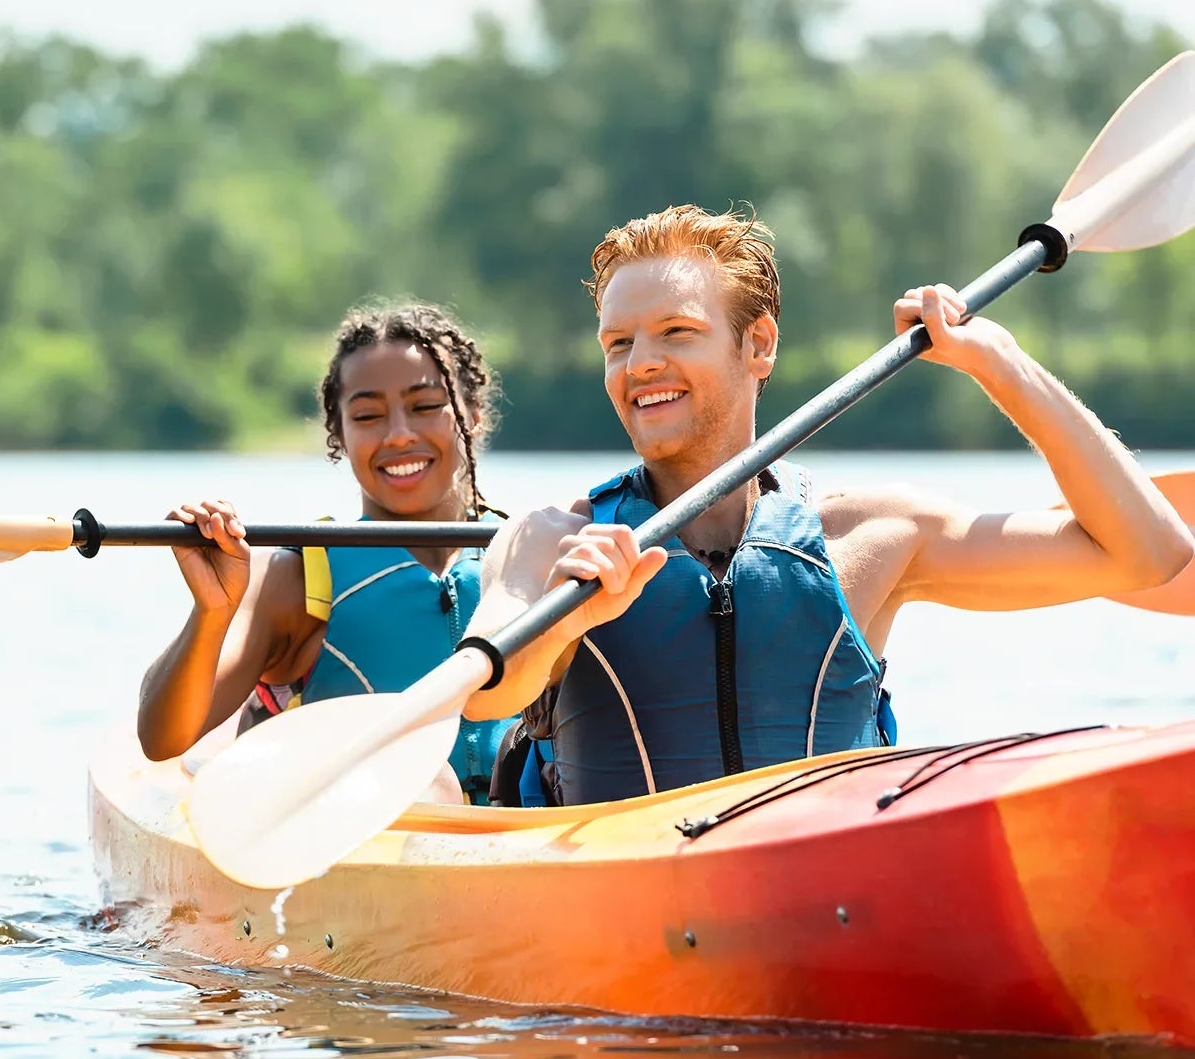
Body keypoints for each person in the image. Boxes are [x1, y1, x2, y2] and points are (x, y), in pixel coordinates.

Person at [464, 204, 1194, 806]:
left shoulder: (873, 532)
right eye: (617, 343)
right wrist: (570, 618)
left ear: (759, 345)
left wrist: (1000, 363)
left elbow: (1149, 554)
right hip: (617, 911)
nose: (641, 362)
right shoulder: (553, 539)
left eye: (676, 332)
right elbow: (485, 695)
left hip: (827, 901)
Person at [137, 302, 517, 804]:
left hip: (519, 824)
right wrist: (212, 612)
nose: (399, 434)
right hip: (370, 831)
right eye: (367, 416)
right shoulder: (297, 576)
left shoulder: (527, 555)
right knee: (430, 787)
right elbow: (162, 740)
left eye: (425, 406)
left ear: (473, 414)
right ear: (339, 434)